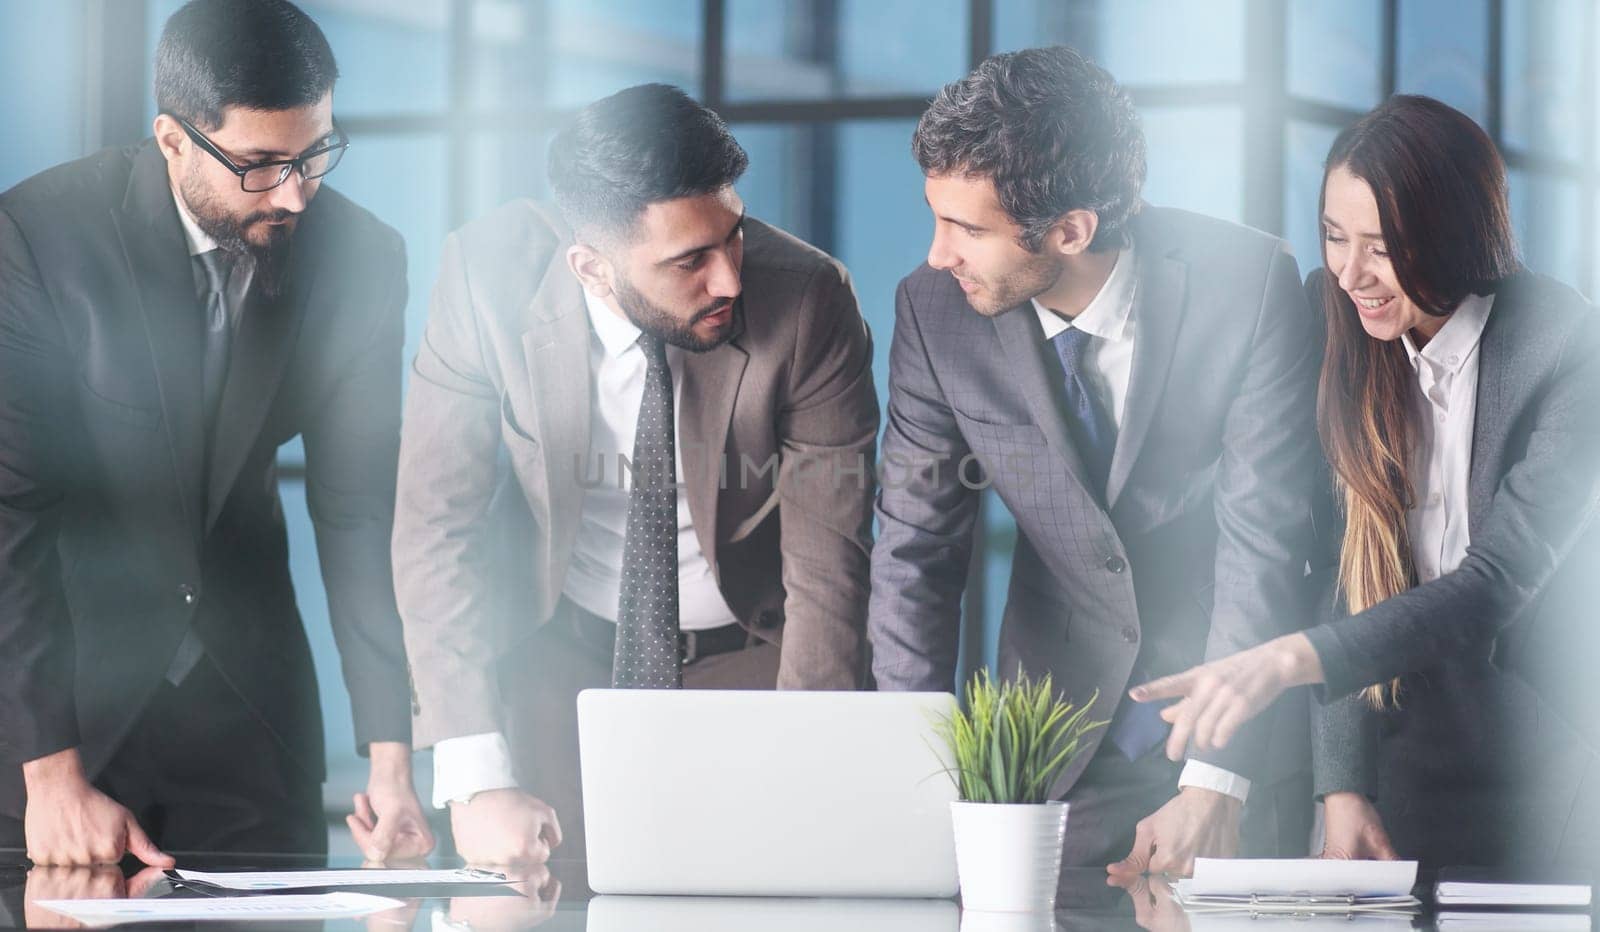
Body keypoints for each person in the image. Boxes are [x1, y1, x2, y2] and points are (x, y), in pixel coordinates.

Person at [393, 83, 878, 865]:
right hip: (561, 656)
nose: (729, 280)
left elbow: (830, 559)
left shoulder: (810, 297)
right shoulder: (485, 280)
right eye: (689, 261)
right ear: (590, 267)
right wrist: (476, 780)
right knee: (551, 894)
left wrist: (809, 760)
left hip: (757, 653)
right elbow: (434, 531)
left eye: (735, 235)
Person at [868, 45, 1322, 876]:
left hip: (1224, 732)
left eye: (967, 229)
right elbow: (913, 550)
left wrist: (1217, 779)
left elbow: (1266, 534)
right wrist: (911, 779)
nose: (939, 254)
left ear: (1071, 230)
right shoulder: (934, 310)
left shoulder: (1250, 284)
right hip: (1048, 744)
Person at [0, 0, 431, 864]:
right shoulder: (39, 238)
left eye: (315, 154)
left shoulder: (362, 259)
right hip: (67, 716)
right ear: (171, 139)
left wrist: (392, 758)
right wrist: (48, 774)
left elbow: (357, 515)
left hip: (251, 711)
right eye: (262, 165)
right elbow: (14, 516)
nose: (298, 192)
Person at [1134, 95, 1600, 870]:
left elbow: (1496, 581)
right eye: (1334, 236)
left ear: (1454, 234)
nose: (1352, 273)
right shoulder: (1333, 322)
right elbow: (1347, 569)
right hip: (1393, 754)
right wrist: (1343, 785)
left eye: (1382, 247)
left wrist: (1289, 660)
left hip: (1547, 757)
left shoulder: (1569, 348)